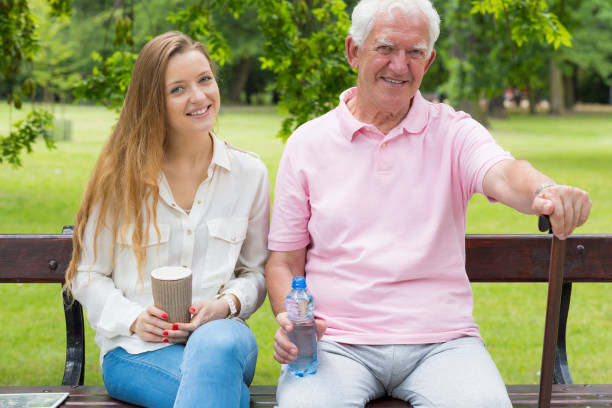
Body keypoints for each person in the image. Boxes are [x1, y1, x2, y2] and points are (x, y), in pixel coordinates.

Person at [266, 1, 592, 407]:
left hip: (443, 344)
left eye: (415, 52)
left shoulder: (454, 132)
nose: (399, 66)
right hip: (335, 344)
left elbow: (506, 174)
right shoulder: (307, 143)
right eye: (385, 48)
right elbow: (283, 262)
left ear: (430, 59)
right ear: (353, 51)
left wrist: (548, 190)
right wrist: (291, 322)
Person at [64, 31, 269, 408]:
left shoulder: (249, 173)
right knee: (228, 396)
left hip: (226, 341)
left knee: (218, 347)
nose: (199, 97)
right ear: (153, 102)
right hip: (137, 352)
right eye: (178, 89)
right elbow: (87, 275)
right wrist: (133, 319)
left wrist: (225, 307)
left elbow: (255, 273)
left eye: (205, 80)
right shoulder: (119, 180)